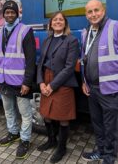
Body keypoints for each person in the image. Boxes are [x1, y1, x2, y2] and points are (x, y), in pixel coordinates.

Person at [81, 0, 118, 164]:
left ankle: (109, 158)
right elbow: (84, 59)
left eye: (96, 10)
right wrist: (84, 81)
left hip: (110, 89)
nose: (93, 14)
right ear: (86, 15)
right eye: (89, 12)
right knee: (97, 124)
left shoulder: (115, 27)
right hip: (92, 88)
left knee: (110, 127)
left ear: (103, 10)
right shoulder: (86, 32)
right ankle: (100, 151)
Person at [0, 0, 36, 159]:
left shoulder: (25, 31)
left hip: (20, 82)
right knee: (8, 110)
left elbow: (31, 60)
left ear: (17, 14)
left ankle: (25, 140)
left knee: (25, 114)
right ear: (3, 14)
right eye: (7, 12)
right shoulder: (0, 32)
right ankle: (13, 133)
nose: (10, 15)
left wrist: (27, 82)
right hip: (4, 80)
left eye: (12, 12)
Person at [37, 12, 79, 163]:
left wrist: (52, 86)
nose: (58, 21)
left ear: (65, 23)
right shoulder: (47, 40)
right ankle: (51, 140)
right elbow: (40, 63)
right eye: (55, 19)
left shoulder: (71, 40)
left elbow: (69, 68)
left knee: (63, 118)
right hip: (46, 78)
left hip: (62, 82)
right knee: (46, 114)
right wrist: (41, 82)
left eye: (61, 19)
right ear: (51, 23)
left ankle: (62, 148)